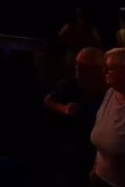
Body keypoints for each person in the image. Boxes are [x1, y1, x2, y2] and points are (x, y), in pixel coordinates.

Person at [44, 47, 106, 184]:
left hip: (96, 155)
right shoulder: (70, 86)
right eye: (78, 68)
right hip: (71, 152)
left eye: (84, 69)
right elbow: (47, 101)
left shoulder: (109, 91)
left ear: (100, 70)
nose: (79, 74)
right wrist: (63, 108)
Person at [90, 48, 125, 186]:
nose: (103, 73)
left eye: (108, 69)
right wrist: (96, 167)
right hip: (100, 177)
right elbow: (103, 133)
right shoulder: (111, 93)